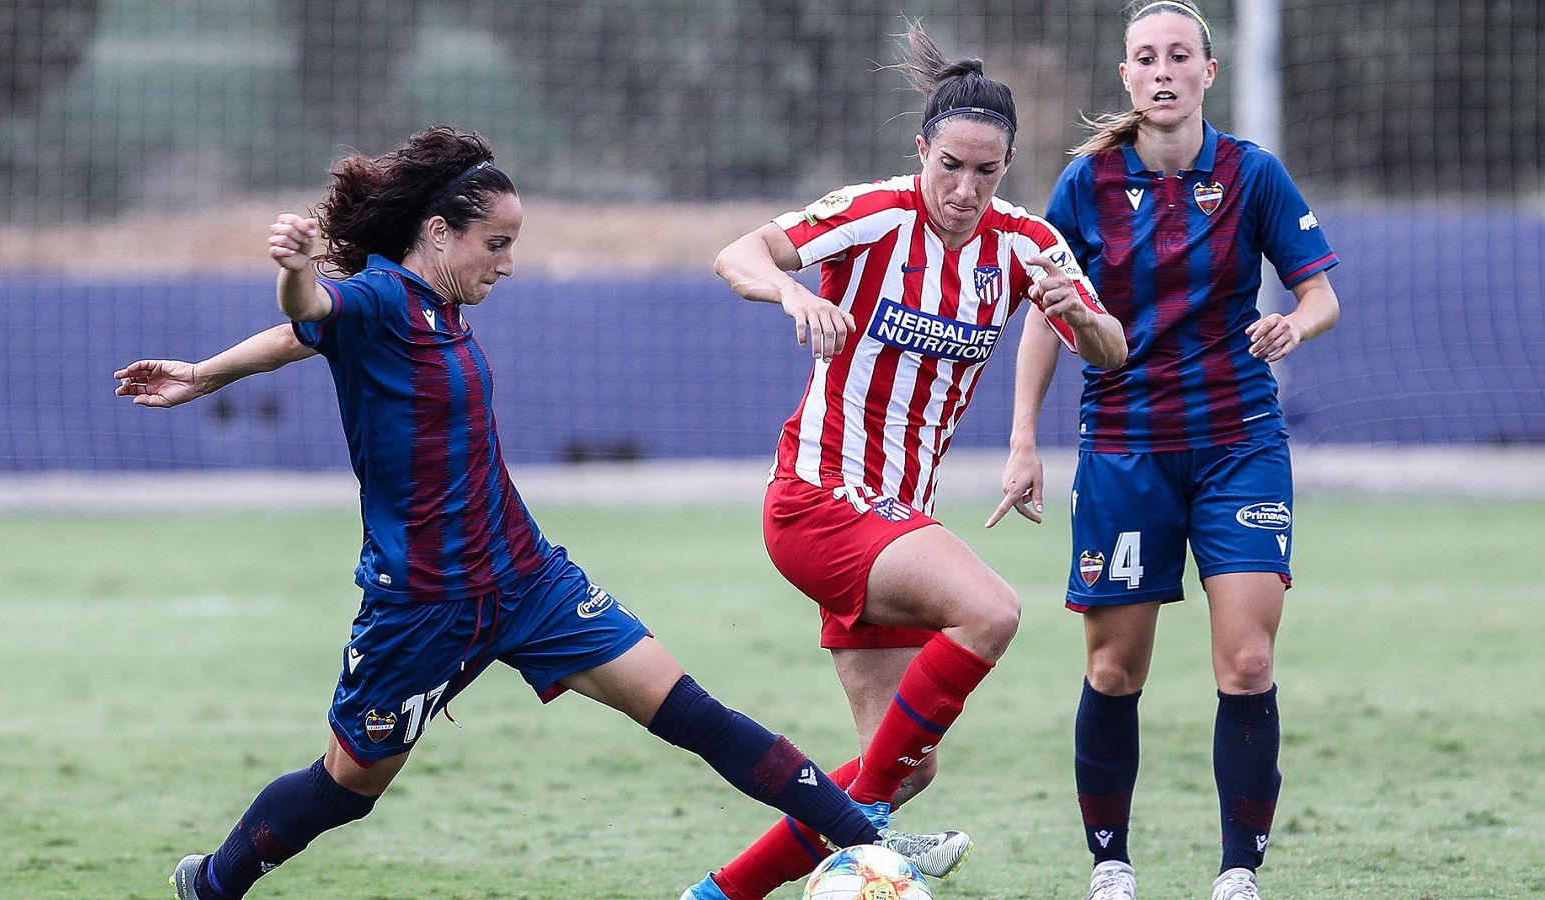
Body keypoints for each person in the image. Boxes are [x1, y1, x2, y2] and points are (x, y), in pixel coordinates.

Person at [113, 125, 970, 900]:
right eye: (497, 243)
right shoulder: (375, 299)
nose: (509, 263)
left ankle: (869, 840)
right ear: (438, 232)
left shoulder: (437, 303)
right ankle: (214, 883)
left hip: (528, 579)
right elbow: (308, 314)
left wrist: (206, 372)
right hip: (422, 604)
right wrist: (294, 274)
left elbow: (299, 339)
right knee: (347, 786)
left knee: (693, 713)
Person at [682, 24, 1127, 900]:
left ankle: (718, 894)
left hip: (892, 520)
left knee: (907, 764)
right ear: (921, 151)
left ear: (1007, 166)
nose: (964, 189)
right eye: (949, 166)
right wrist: (793, 293)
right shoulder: (874, 211)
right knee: (991, 611)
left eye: (985, 171)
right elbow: (737, 255)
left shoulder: (1026, 243)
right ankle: (869, 825)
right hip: (817, 498)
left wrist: (1077, 312)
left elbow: (1112, 350)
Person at [989, 3, 1342, 899]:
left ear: (1207, 73)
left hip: (1239, 444)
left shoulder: (1253, 174)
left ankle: (1238, 874)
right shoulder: (1087, 184)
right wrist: (1023, 441)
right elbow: (1046, 314)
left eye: (1178, 55)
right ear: (1127, 76)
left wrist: (1295, 326)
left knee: (1248, 663)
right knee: (1114, 669)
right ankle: (1111, 864)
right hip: (1125, 449)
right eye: (1145, 57)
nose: (1162, 71)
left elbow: (1320, 296)